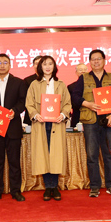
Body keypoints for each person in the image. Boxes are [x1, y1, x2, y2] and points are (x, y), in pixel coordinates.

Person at [71, 49, 111, 197]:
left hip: (109, 120)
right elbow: (75, 96)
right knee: (92, 155)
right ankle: (94, 186)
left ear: (104, 61)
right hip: (90, 121)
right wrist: (87, 103)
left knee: (109, 154)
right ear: (90, 62)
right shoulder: (83, 78)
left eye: (99, 59)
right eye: (93, 59)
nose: (96, 61)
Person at [25, 56, 72, 201]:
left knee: (55, 155)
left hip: (56, 124)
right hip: (41, 124)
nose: (47, 67)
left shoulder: (61, 84)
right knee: (43, 155)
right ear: (40, 67)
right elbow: (29, 103)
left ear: (54, 66)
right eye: (44, 64)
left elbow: (67, 103)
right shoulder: (34, 84)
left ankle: (55, 187)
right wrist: (35, 114)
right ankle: (48, 187)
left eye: (50, 64)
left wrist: (63, 114)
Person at [0, 53, 27, 202]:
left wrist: (15, 111)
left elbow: (23, 102)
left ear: (10, 65)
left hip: (13, 127)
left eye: (5, 62)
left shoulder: (19, 82)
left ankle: (16, 191)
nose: (2, 65)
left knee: (14, 162)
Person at [23, 56, 42, 126]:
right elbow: (25, 99)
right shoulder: (27, 80)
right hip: (31, 117)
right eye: (36, 63)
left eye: (40, 63)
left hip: (48, 116)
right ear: (33, 66)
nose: (38, 65)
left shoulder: (52, 80)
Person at [68, 63, 88, 128]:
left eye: (85, 69)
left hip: (91, 117)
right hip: (77, 116)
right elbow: (69, 104)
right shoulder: (71, 87)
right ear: (76, 72)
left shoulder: (94, 86)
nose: (83, 71)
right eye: (80, 70)